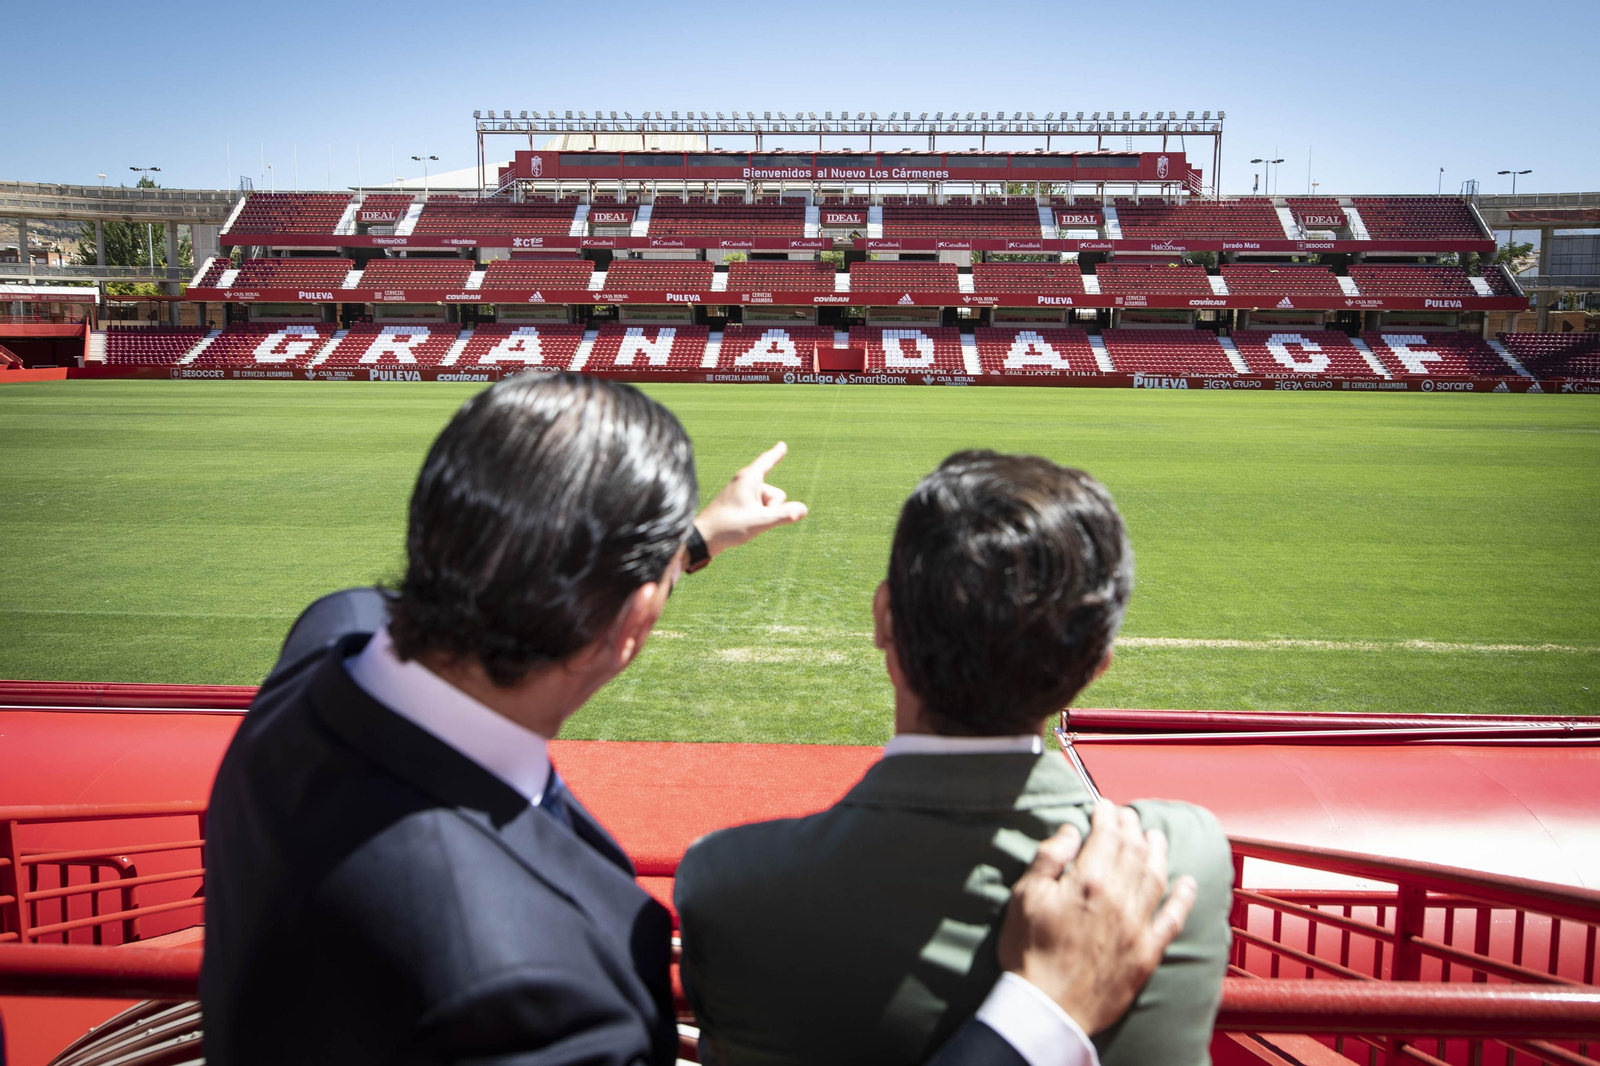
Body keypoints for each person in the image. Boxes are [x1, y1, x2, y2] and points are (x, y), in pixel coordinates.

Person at [202, 376, 1198, 1066]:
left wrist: (683, 544)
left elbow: (364, 603)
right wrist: (1038, 1016)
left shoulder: (323, 650)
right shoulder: (537, 978)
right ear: (634, 613)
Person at [675, 450, 1236, 1066]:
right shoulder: (1183, 860)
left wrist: (687, 547)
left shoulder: (727, 882)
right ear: (1094, 669)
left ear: (884, 617)